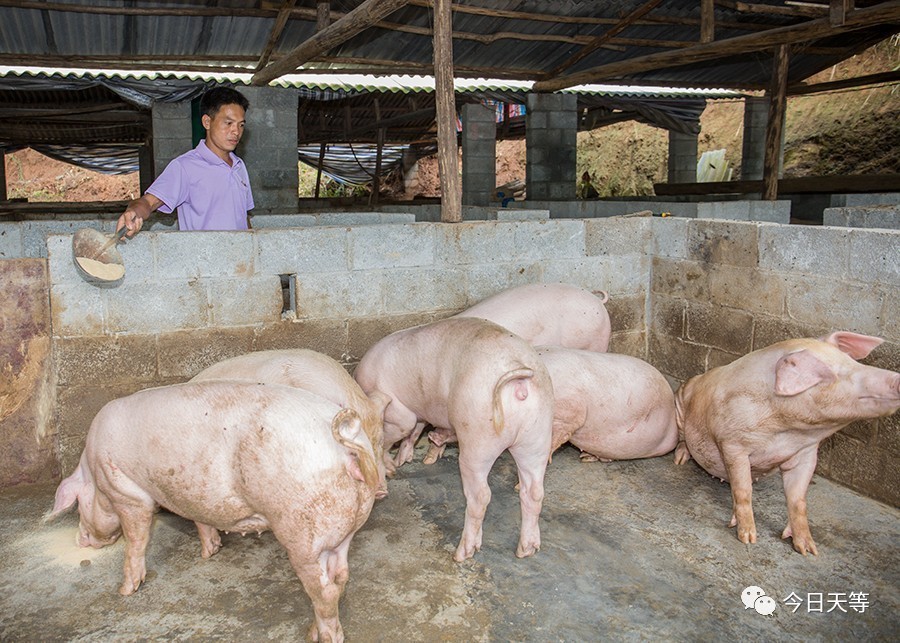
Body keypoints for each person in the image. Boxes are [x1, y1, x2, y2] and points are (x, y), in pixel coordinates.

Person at [117, 87, 254, 234]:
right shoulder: (185, 167)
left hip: (241, 256)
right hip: (204, 256)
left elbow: (243, 216)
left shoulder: (239, 166)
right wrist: (133, 212)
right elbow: (149, 202)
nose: (236, 132)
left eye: (241, 125)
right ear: (207, 122)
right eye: (228, 123)